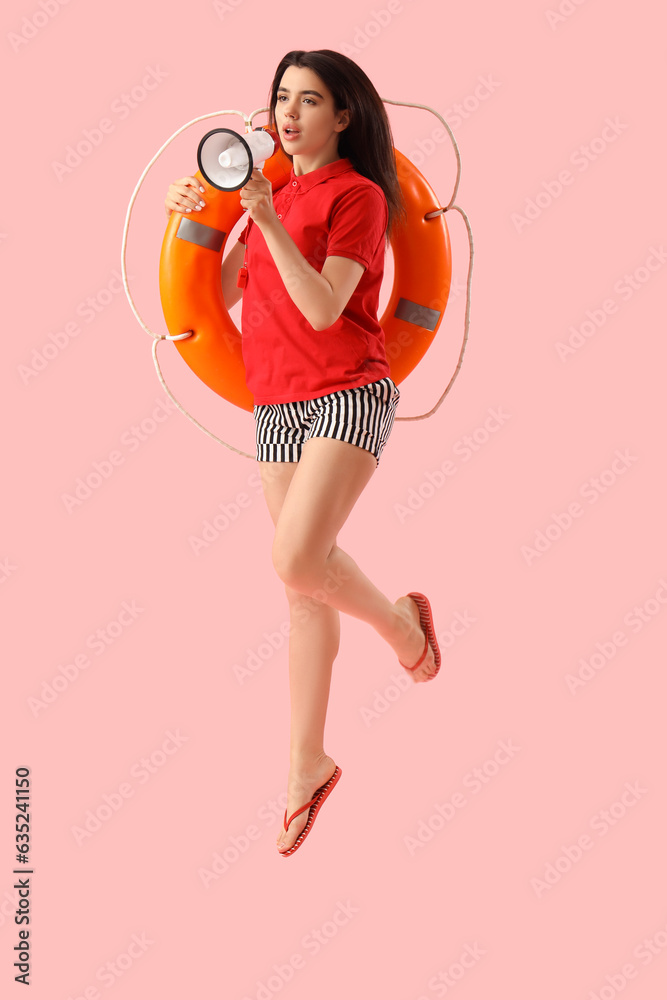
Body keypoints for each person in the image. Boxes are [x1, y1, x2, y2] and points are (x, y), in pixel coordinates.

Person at [164, 49, 441, 857]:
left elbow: (323, 308)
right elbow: (217, 297)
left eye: (309, 100)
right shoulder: (269, 195)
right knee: (301, 590)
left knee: (293, 560)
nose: (289, 114)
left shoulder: (357, 195)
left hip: (346, 390)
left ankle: (402, 630)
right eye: (281, 98)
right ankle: (305, 767)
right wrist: (195, 217)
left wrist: (272, 221)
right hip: (276, 403)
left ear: (343, 115)